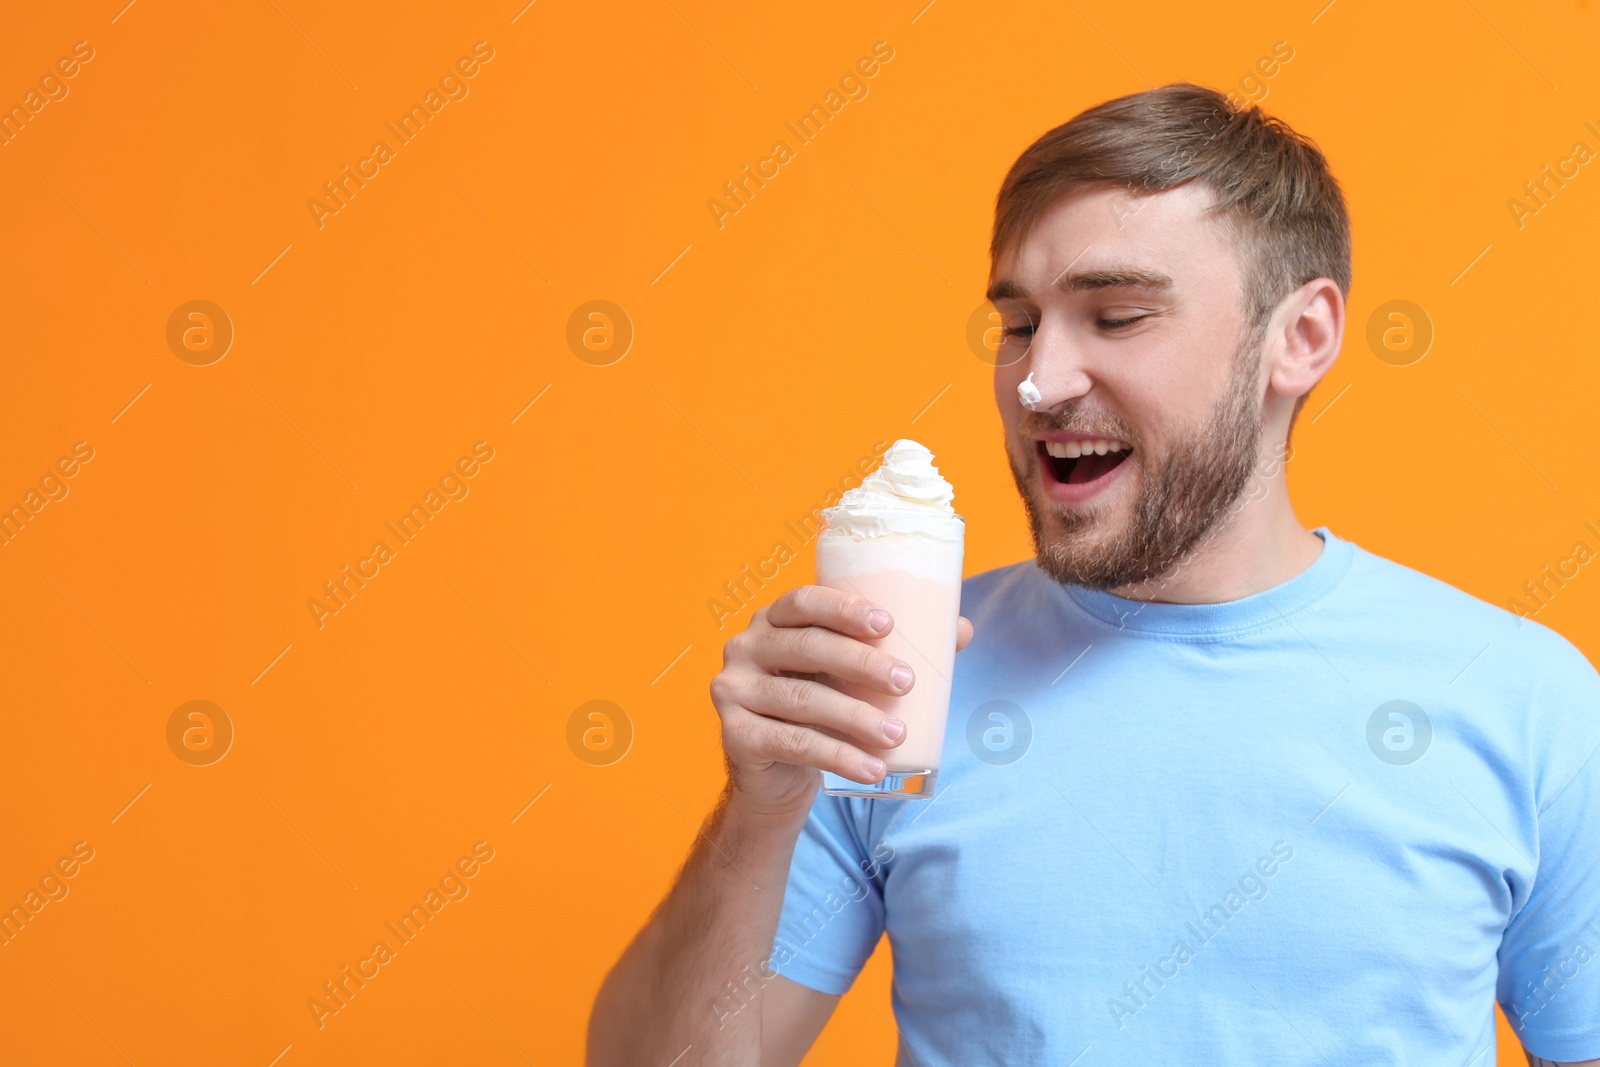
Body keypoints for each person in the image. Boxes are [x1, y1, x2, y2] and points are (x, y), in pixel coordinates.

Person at [587, 82, 1600, 1066]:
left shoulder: (1525, 701)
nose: (1036, 378)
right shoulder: (898, 689)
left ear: (1298, 338)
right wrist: (757, 817)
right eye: (1018, 323)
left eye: (1114, 316)